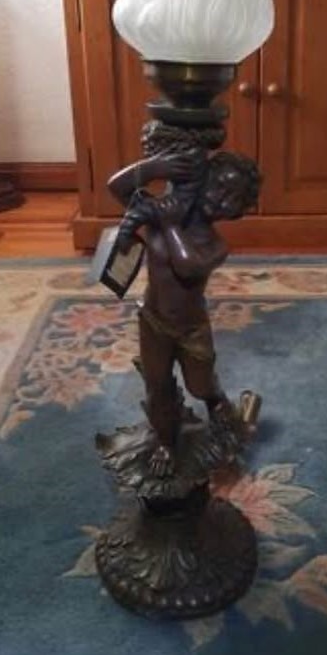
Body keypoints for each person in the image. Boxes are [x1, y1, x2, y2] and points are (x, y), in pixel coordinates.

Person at [108, 146, 261, 476]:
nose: (221, 200)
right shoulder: (160, 214)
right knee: (157, 386)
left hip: (192, 329)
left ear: (239, 210)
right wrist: (156, 167)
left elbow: (188, 266)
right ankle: (165, 441)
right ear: (202, 180)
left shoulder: (216, 245)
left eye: (232, 198)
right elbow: (116, 186)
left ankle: (215, 399)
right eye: (218, 187)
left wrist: (171, 227)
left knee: (199, 385)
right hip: (153, 321)